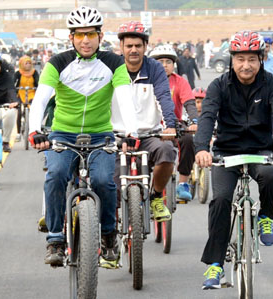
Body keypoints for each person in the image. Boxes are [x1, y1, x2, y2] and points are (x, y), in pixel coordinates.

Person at [28, 6, 139, 268]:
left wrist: (131, 131)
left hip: (101, 134)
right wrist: (35, 130)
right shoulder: (57, 63)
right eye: (79, 35)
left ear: (100, 36)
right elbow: (41, 98)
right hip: (63, 134)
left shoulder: (114, 63)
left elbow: (125, 98)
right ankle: (55, 239)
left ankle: (109, 234)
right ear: (71, 38)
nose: (86, 40)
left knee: (103, 180)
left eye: (91, 34)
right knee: (55, 175)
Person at [194, 30, 273, 290]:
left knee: (271, 176)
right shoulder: (219, 85)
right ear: (232, 60)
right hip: (225, 153)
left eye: (252, 59)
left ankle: (264, 213)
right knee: (220, 200)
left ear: (261, 59)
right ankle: (215, 265)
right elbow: (207, 117)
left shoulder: (272, 84)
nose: (246, 65)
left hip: (259, 151)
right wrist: (201, 149)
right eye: (240, 59)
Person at [111, 21, 178, 235]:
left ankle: (156, 197)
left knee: (167, 152)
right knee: (105, 182)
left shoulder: (155, 68)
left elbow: (164, 98)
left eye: (138, 46)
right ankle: (109, 228)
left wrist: (170, 126)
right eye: (129, 45)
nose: (133, 50)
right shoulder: (112, 69)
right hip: (116, 137)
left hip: (149, 134)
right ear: (121, 47)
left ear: (145, 47)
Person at [149, 44, 199, 202]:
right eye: (160, 62)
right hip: (150, 124)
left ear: (174, 64)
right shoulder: (146, 81)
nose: (164, 65)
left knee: (189, 140)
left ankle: (183, 182)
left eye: (168, 62)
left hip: (174, 124)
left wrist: (194, 121)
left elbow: (189, 103)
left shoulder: (180, 82)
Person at [13, 56, 40, 142]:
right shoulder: (18, 73)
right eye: (26, 63)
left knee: (33, 110)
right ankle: (18, 133)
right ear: (21, 64)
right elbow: (13, 82)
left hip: (32, 94)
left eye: (29, 63)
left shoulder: (34, 72)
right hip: (21, 94)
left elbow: (38, 82)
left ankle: (32, 130)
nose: (28, 65)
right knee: (19, 112)